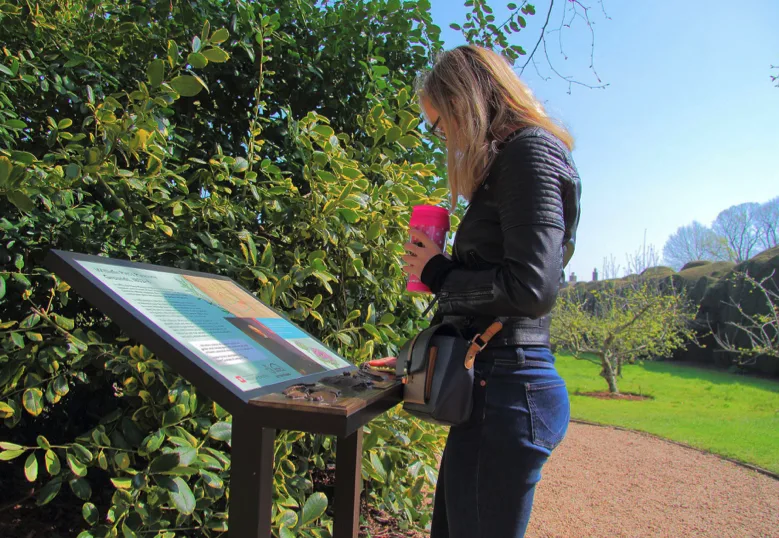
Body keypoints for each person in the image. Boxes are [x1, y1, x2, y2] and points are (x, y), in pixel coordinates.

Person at [369, 45, 582, 538]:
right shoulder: (513, 160)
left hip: (507, 391)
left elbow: (531, 289)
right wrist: (418, 356)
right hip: (495, 387)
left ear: (463, 102)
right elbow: (501, 289)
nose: (440, 135)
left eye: (437, 122)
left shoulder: (530, 152)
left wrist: (438, 271)